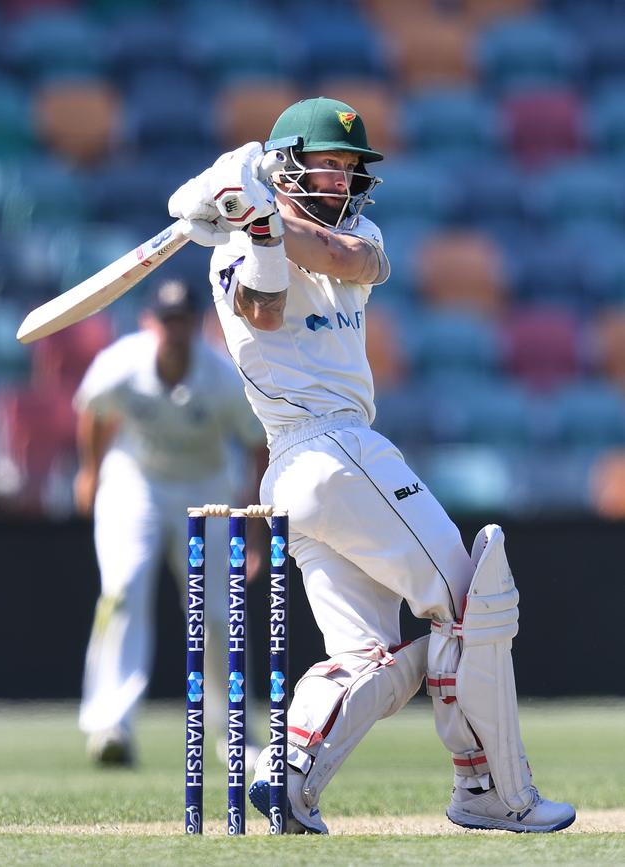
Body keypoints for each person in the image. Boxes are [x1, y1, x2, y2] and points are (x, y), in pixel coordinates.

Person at [168, 97, 576, 834]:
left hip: (318, 468)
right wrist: (252, 225)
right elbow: (262, 310)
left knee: (371, 653)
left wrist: (253, 209)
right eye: (330, 164)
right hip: (324, 449)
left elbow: (348, 259)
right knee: (472, 600)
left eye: (352, 168)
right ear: (291, 164)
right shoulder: (237, 252)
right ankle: (490, 789)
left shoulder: (355, 231)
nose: (344, 180)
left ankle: (286, 784)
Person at [73, 278, 266, 767]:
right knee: (122, 589)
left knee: (218, 611)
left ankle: (235, 730)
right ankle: (110, 726)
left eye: (183, 321)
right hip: (134, 483)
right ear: (149, 322)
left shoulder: (223, 378)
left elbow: (256, 445)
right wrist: (91, 472)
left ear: (197, 324)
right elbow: (93, 413)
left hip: (206, 490)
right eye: (166, 321)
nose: (174, 331)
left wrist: (256, 528)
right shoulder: (122, 363)